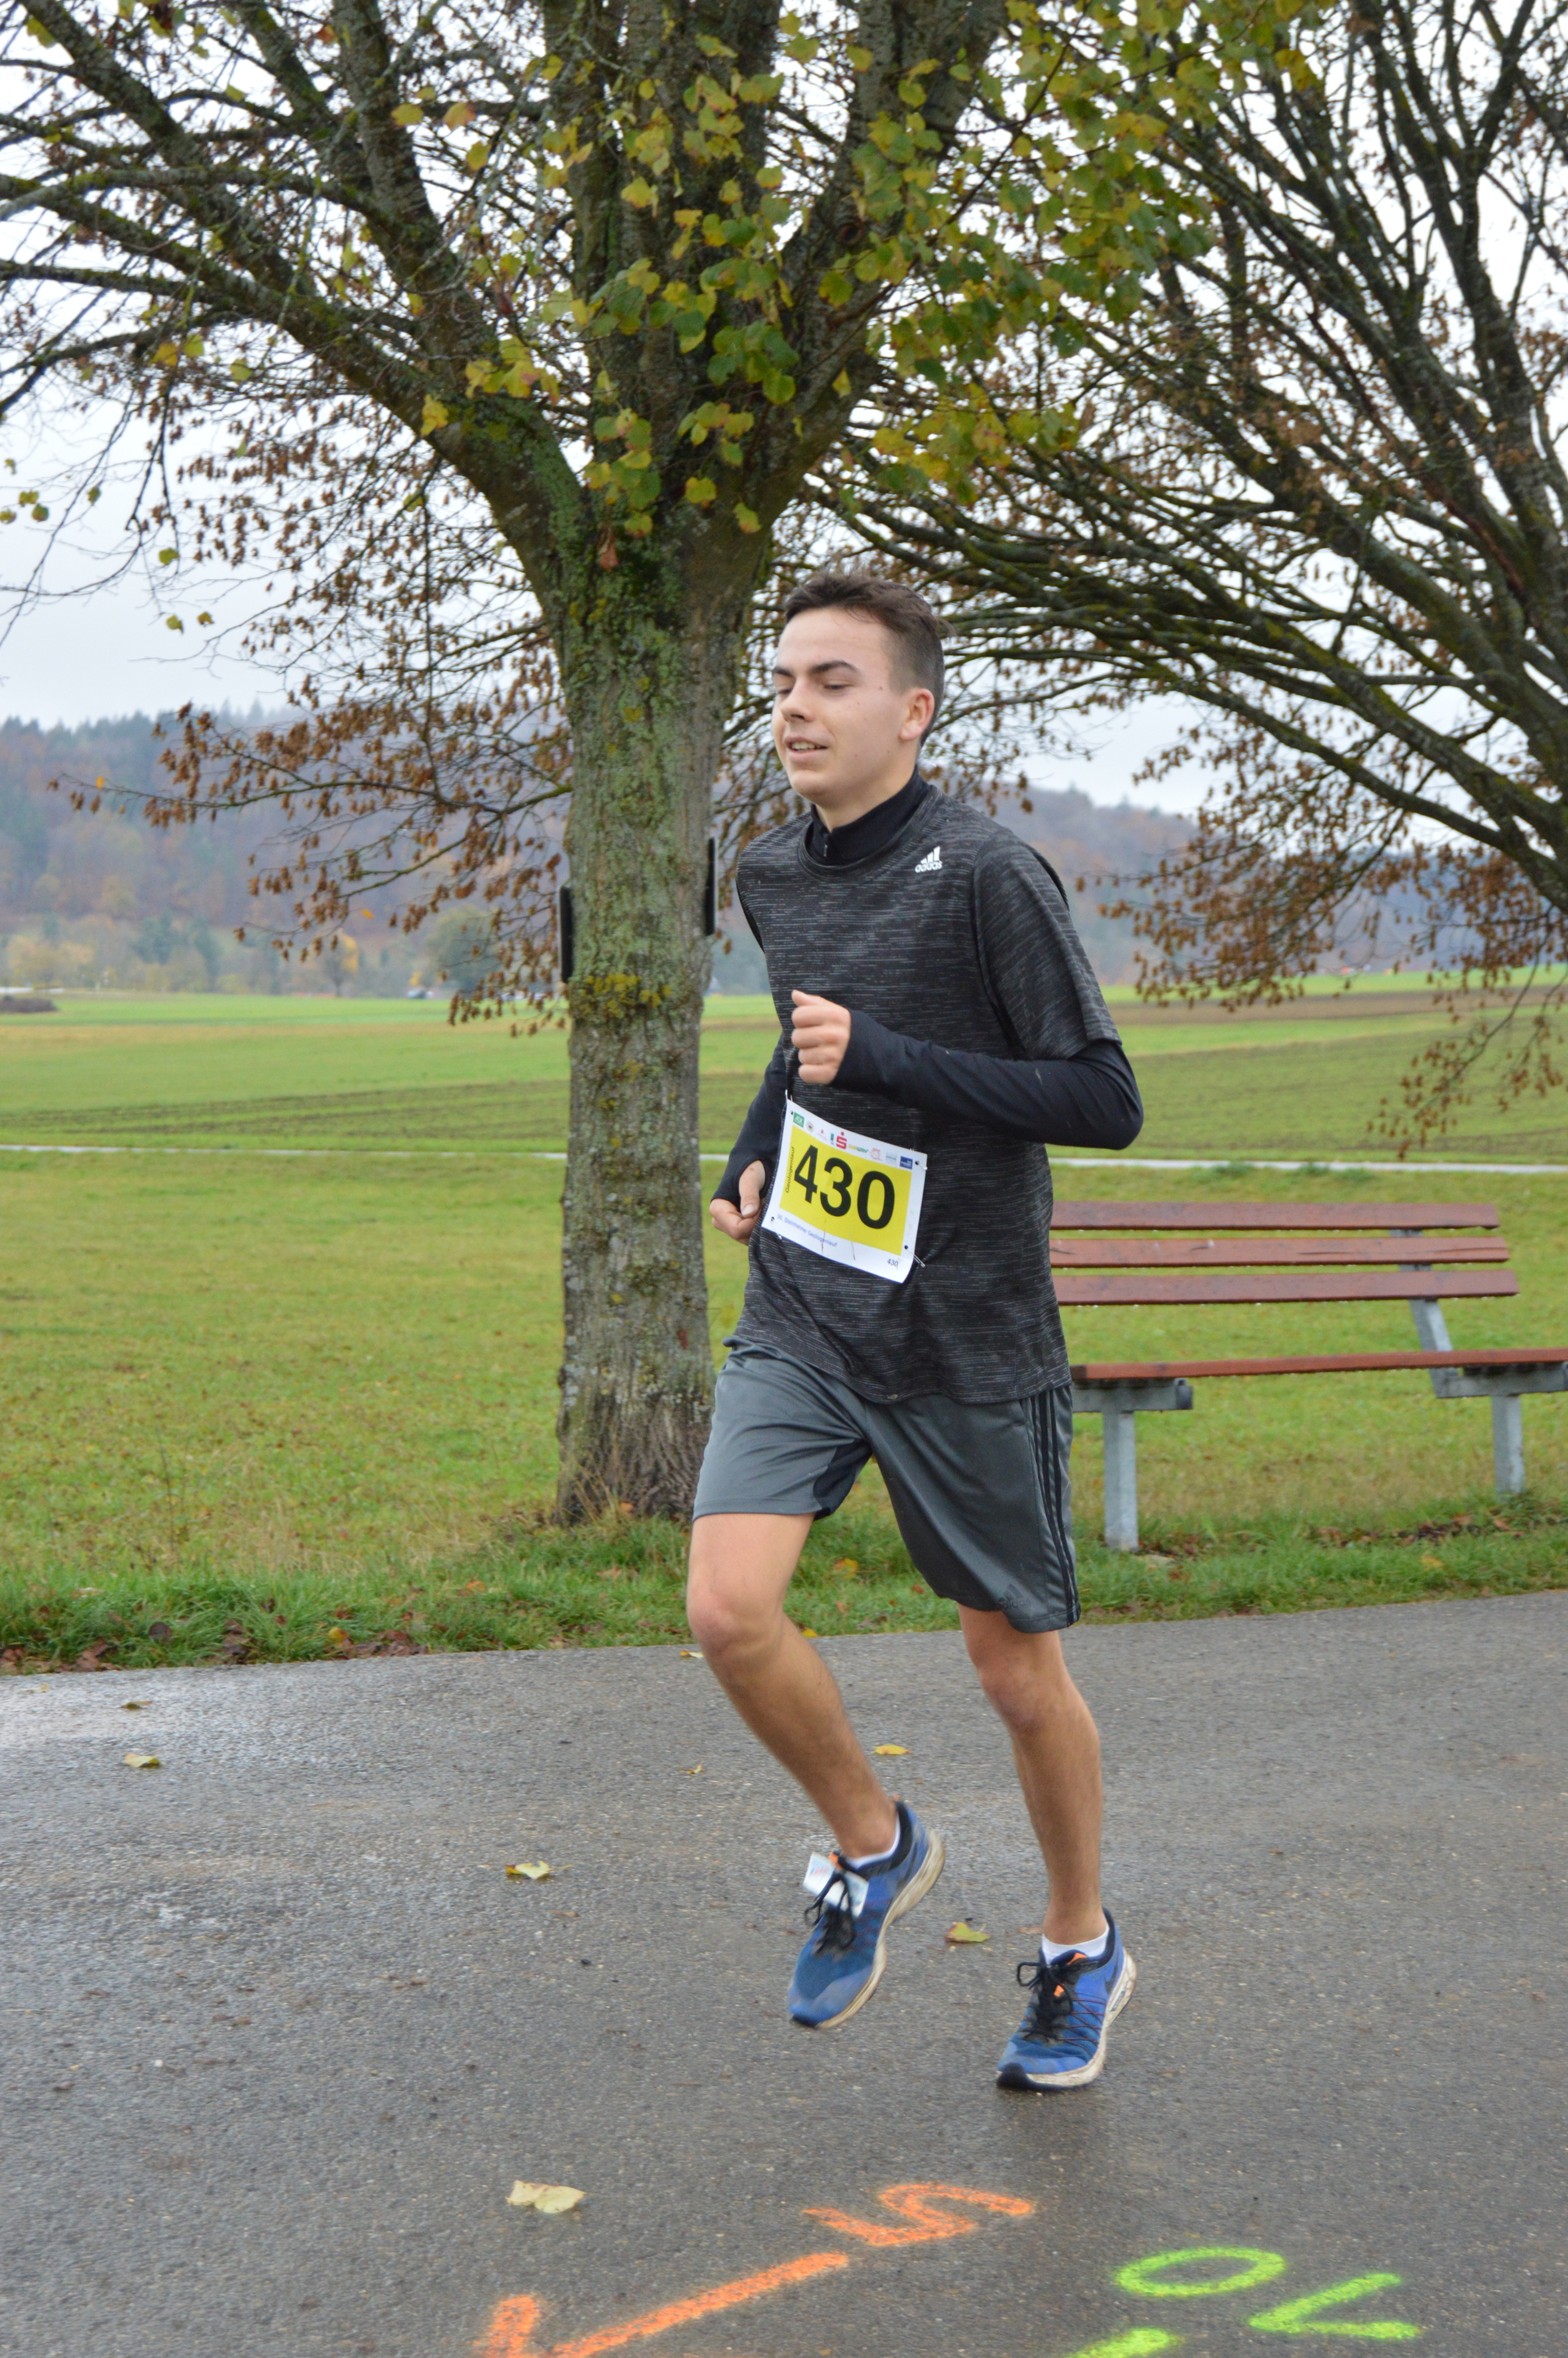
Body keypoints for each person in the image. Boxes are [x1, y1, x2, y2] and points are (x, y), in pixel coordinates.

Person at [687, 573, 1145, 2089]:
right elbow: (804, 1043)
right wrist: (756, 1153)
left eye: (833, 681)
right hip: (811, 1305)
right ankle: (872, 1844)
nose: (796, 708)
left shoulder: (988, 876)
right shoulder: (773, 871)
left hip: (967, 1337)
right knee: (727, 1609)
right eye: (783, 682)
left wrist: (890, 1057)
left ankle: (1078, 1946)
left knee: (1015, 1678)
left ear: (914, 709)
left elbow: (1104, 1100)